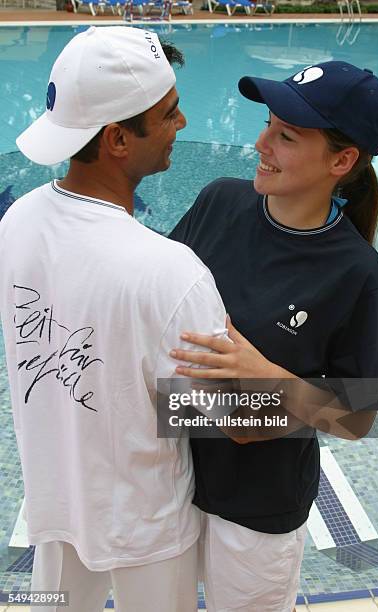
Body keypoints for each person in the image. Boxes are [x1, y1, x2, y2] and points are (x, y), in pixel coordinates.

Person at [0, 26, 229, 612]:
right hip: (148, 531)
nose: (182, 125)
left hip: (54, 506)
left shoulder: (16, 223)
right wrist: (319, 400)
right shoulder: (169, 272)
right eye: (170, 114)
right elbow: (229, 417)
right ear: (118, 139)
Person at [169, 61, 378, 612]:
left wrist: (265, 377)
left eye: (286, 136)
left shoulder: (359, 276)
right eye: (268, 124)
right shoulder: (220, 201)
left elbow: (357, 417)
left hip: (258, 507)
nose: (260, 143)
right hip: (168, 479)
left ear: (342, 161)